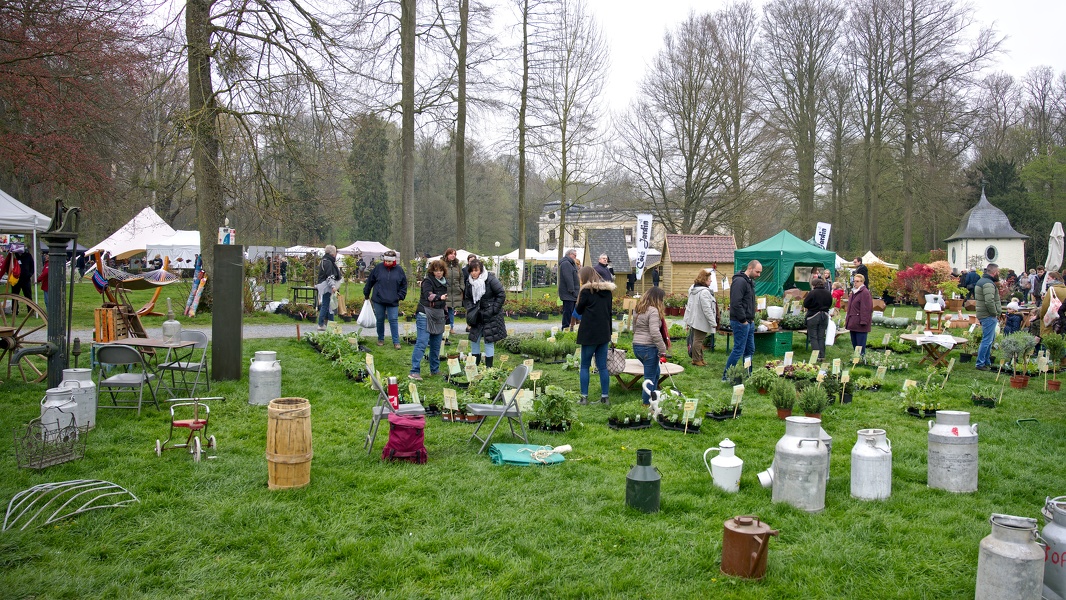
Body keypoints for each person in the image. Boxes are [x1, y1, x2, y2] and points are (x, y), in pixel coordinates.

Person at [575, 266, 615, 404]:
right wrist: (610, 333)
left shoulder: (586, 291)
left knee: (585, 366)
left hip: (589, 333)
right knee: (602, 366)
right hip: (604, 332)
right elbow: (610, 313)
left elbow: (578, 310)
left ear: (585, 277)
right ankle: (605, 397)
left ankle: (584, 397)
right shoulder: (608, 292)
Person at [409, 259, 448, 380]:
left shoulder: (445, 282)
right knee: (422, 342)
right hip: (424, 314)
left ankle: (434, 370)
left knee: (436, 344)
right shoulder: (427, 281)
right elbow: (428, 295)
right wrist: (439, 297)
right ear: (432, 271)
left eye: (441, 270)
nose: (438, 273)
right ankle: (414, 371)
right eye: (436, 270)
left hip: (438, 315)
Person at [722, 260, 761, 381]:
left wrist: (751, 319)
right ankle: (726, 376)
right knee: (738, 350)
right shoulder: (739, 282)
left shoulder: (749, 282)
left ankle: (747, 373)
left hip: (748, 321)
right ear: (750, 268)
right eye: (757, 271)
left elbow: (748, 302)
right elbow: (736, 303)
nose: (758, 275)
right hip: (740, 322)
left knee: (750, 349)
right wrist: (743, 320)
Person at [464, 259, 506, 367]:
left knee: (489, 341)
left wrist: (493, 310)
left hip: (490, 314)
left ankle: (489, 368)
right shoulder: (469, 282)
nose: (473, 273)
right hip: (476, 315)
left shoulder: (490, 279)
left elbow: (501, 294)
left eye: (476, 270)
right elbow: (467, 298)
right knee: (474, 340)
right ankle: (475, 366)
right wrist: (470, 309)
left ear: (480, 270)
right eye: (471, 270)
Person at [363, 249, 408, 348]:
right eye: (386, 261)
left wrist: (400, 296)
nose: (387, 263)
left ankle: (396, 341)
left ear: (394, 261)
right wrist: (366, 293)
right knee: (380, 319)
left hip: (393, 300)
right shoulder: (378, 268)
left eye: (389, 261)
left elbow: (404, 285)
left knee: (393, 320)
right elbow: (370, 281)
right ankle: (380, 339)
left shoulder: (399, 270)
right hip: (379, 299)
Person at [632, 286, 669, 405]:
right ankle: (647, 403)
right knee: (649, 379)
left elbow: (634, 328)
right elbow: (654, 332)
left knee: (656, 372)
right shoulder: (653, 311)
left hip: (637, 346)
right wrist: (662, 348)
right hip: (648, 348)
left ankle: (655, 397)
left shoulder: (638, 309)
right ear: (658, 299)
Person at [683, 269, 717, 366]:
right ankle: (696, 359)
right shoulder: (704, 292)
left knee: (696, 339)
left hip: (694, 318)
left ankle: (699, 358)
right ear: (704, 280)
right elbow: (707, 309)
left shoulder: (694, 289)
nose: (711, 281)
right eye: (709, 279)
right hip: (701, 320)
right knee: (698, 340)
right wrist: (713, 322)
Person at [974, 263, 1001, 371]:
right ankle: (980, 363)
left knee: (989, 339)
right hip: (988, 315)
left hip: (983, 313)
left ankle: (986, 361)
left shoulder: (982, 281)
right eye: (998, 272)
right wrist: (994, 313)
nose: (998, 273)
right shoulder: (988, 284)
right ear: (994, 272)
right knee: (987, 340)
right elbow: (989, 301)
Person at [804, 277, 834, 356]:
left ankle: (816, 356)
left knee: (813, 337)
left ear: (814, 285)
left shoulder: (813, 292)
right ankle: (822, 356)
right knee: (821, 337)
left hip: (813, 315)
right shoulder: (828, 293)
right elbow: (830, 303)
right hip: (824, 315)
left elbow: (805, 304)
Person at [315, 245, 342, 331]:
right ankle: (321, 323)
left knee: (328, 305)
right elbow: (329, 276)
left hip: (323, 285)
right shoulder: (328, 262)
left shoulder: (324, 261)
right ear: (333, 254)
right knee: (326, 305)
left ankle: (331, 324)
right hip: (326, 286)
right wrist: (333, 287)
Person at [845, 273, 873, 354]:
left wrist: (864, 321)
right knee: (854, 344)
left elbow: (866, 308)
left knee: (860, 345)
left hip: (860, 323)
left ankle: (861, 359)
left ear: (862, 282)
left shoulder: (865, 292)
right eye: (854, 281)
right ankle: (856, 359)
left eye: (857, 281)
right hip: (853, 322)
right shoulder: (854, 292)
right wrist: (847, 320)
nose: (855, 283)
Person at [1038, 271, 1066, 339]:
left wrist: (1040, 316)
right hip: (1062, 318)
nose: (1047, 280)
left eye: (1048, 278)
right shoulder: (1064, 288)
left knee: (1048, 339)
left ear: (1054, 278)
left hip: (1052, 319)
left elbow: (1045, 307)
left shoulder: (1051, 289)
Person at [558, 248, 580, 331]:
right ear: (570, 255)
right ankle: (565, 329)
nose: (575, 257)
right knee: (568, 312)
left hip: (571, 294)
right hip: (569, 294)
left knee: (572, 312)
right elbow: (568, 278)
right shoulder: (566, 263)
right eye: (574, 255)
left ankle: (571, 328)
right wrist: (572, 291)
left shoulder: (570, 263)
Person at [443, 248, 464, 335]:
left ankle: (451, 327)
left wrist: (461, 287)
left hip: (455, 291)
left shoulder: (457, 266)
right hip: (445, 290)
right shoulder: (442, 264)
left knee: (451, 309)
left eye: (454, 254)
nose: (453, 255)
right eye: (451, 254)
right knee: (443, 309)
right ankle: (443, 327)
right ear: (447, 254)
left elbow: (462, 277)